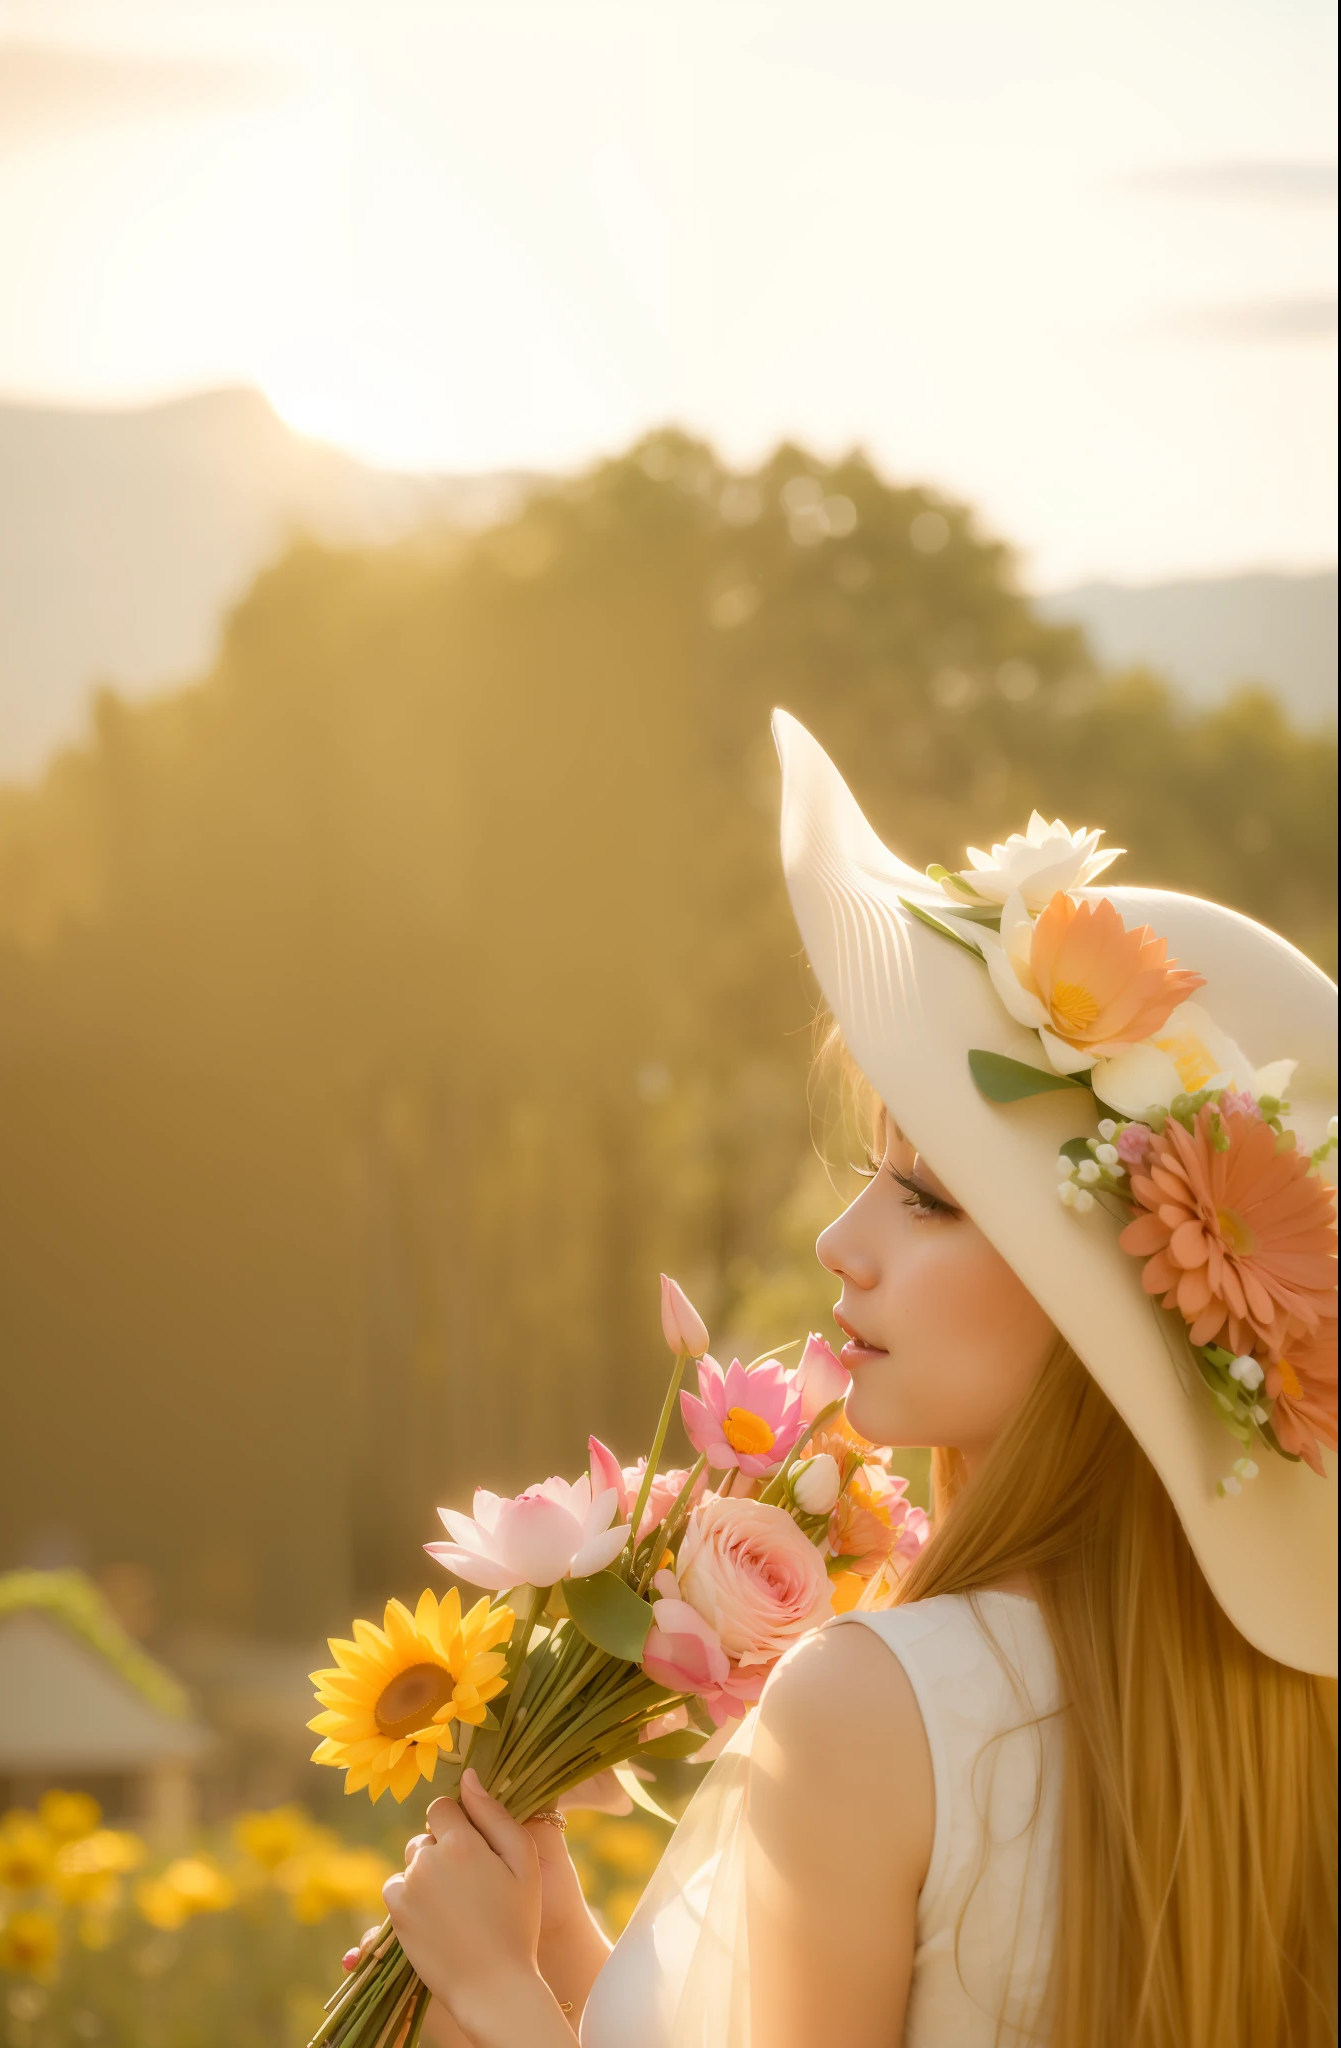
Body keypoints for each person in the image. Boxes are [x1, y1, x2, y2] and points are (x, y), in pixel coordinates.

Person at [377, 712, 1337, 2047]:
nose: (844, 1245)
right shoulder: (1270, 1724)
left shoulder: (875, 1701)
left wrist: (490, 2001)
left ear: (1109, 1301)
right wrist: (567, 1970)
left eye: (931, 1199)